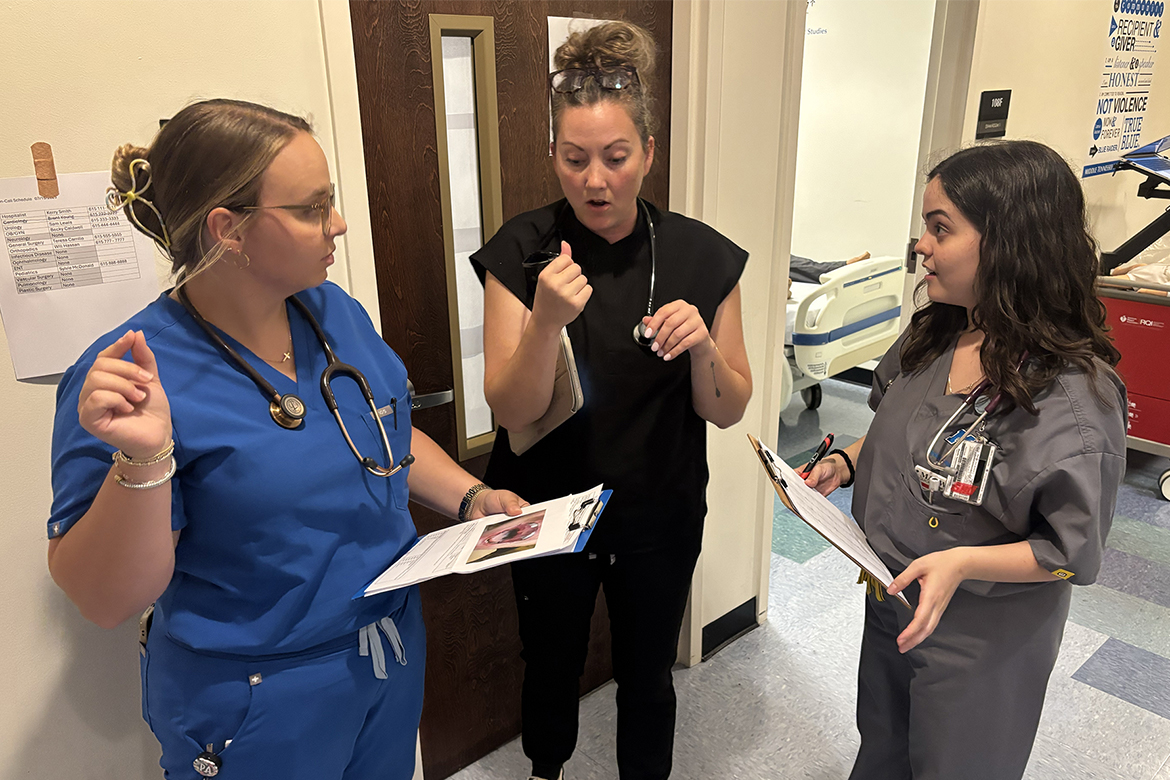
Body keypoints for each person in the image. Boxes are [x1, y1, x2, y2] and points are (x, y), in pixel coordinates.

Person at [46, 98, 526, 780]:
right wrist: (145, 458)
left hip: (385, 654)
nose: (340, 223)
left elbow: (384, 432)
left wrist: (471, 496)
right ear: (228, 229)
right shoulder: (131, 378)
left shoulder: (334, 312)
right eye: (312, 208)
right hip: (257, 698)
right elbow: (104, 600)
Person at [472, 21, 753, 780]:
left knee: (647, 675)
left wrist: (700, 346)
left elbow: (728, 408)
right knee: (550, 663)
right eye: (575, 159)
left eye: (616, 157)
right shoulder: (521, 250)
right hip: (548, 513)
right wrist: (545, 324)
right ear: (554, 156)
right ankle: (545, 770)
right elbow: (512, 408)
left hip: (658, 511)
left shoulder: (702, 255)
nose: (595, 180)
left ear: (649, 154)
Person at [803, 140, 1127, 780]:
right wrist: (846, 461)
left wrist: (963, 561)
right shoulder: (938, 336)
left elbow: (1069, 554)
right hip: (894, 605)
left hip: (979, 638)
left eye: (940, 227)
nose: (920, 244)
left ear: (1009, 240)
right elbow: (914, 438)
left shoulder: (1070, 397)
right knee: (883, 753)